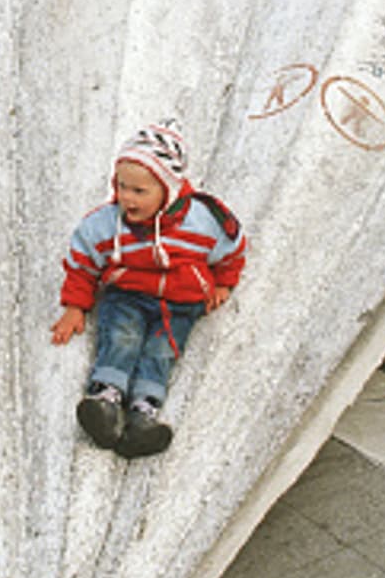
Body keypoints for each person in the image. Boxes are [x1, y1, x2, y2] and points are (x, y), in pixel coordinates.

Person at [51, 119, 246, 458]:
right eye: (121, 186)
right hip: (128, 295)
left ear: (168, 190)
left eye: (139, 191)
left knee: (162, 351)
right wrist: (75, 306)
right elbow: (82, 263)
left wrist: (223, 284)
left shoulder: (202, 221)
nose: (127, 197)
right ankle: (105, 400)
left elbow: (232, 250)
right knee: (122, 336)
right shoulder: (107, 224)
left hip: (179, 304)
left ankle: (144, 415)